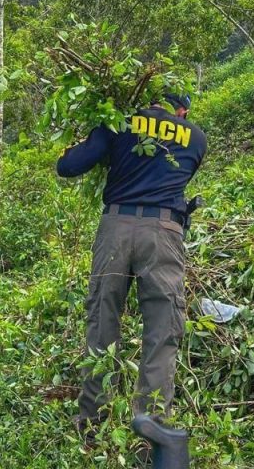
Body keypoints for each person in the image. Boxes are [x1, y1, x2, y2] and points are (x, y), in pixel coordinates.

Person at [57, 93, 206, 446]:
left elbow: (68, 166)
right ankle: (150, 429)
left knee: (102, 319)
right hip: (165, 233)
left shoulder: (119, 122)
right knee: (162, 327)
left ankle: (93, 426)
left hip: (115, 230)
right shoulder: (196, 137)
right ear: (181, 110)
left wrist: (96, 131)